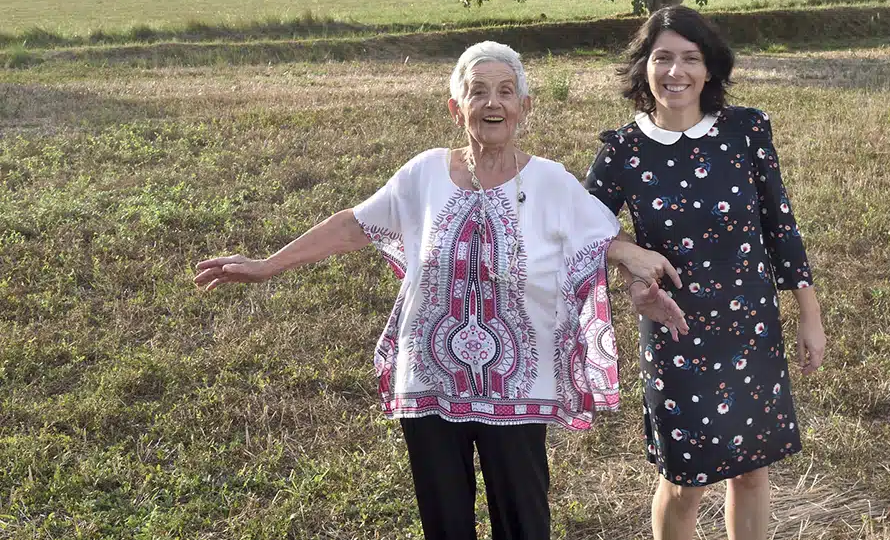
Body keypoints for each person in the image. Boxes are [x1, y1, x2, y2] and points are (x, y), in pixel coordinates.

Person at [193, 41, 687, 540]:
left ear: (524, 107)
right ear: (457, 108)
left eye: (506, 92)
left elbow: (603, 235)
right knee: (443, 522)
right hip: (431, 380)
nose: (493, 103)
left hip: (517, 389)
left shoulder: (551, 182)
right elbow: (354, 226)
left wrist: (634, 260)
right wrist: (268, 265)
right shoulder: (424, 173)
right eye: (477, 92)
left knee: (524, 521)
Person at [583, 7, 828, 540]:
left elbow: (779, 226)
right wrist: (628, 253)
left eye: (690, 58)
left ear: (710, 68)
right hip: (678, 332)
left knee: (752, 472)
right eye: (662, 58)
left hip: (752, 327)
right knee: (684, 483)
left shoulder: (746, 130)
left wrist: (809, 314)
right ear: (644, 68)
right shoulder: (624, 150)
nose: (677, 72)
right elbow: (578, 231)